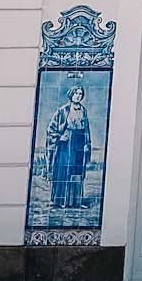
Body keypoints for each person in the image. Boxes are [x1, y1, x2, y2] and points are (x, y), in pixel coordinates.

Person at [44, 81, 92, 212]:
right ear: (71, 94)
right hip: (66, 144)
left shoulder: (83, 110)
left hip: (79, 143)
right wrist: (59, 137)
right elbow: (51, 129)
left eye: (80, 94)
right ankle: (59, 201)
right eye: (76, 93)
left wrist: (87, 143)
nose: (78, 96)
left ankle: (75, 201)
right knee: (64, 171)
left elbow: (86, 129)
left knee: (77, 172)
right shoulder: (63, 110)